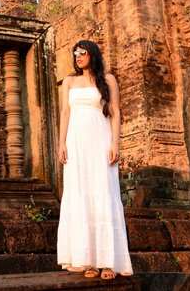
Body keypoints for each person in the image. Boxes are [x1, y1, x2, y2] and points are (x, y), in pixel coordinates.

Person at [57, 39, 133, 279]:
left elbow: (115, 112)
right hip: (76, 143)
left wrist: (115, 143)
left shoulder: (108, 80)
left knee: (103, 192)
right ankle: (88, 260)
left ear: (93, 54)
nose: (78, 56)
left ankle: (108, 262)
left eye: (83, 52)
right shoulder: (68, 82)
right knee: (80, 194)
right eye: (75, 53)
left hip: (100, 140)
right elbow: (65, 112)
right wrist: (61, 143)